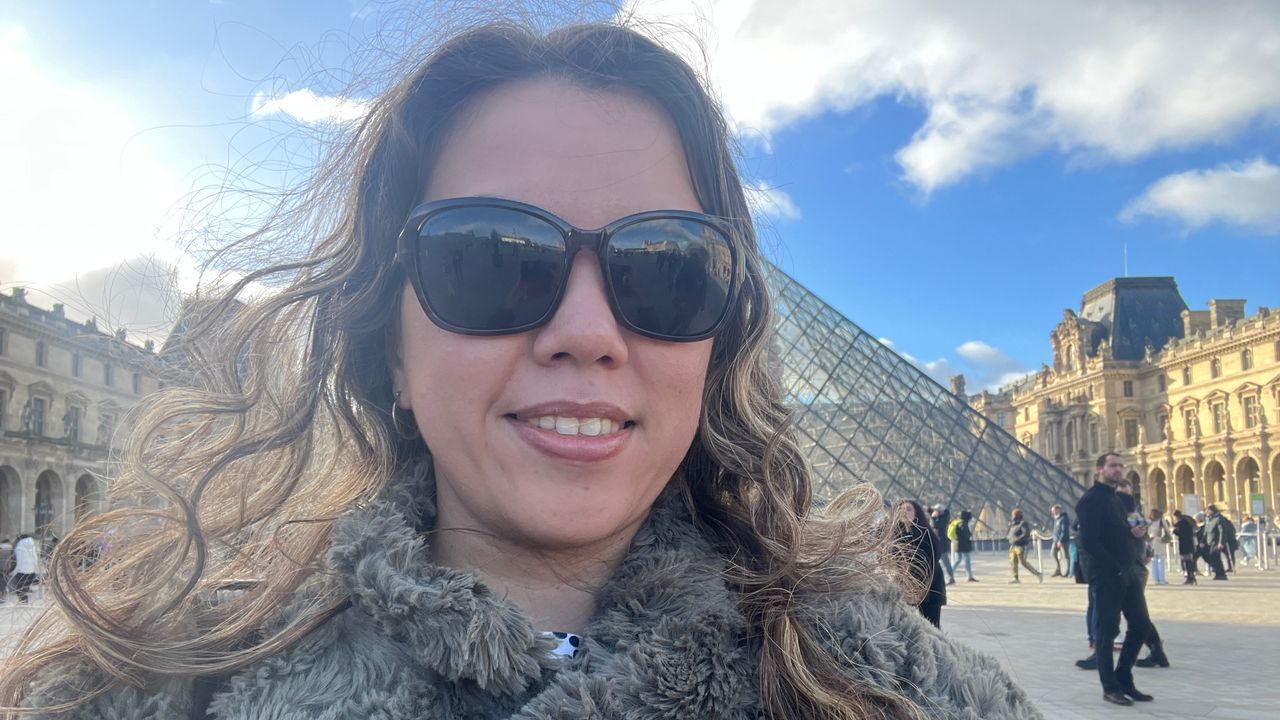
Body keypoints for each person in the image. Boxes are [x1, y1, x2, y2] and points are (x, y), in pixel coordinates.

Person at [1, 19, 1040, 719]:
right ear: (388, 350)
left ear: (716, 342)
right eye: (487, 259)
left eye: (665, 268)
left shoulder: (903, 687)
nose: (586, 329)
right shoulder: (143, 685)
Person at [1076, 452, 1154, 706]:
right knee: (1106, 632)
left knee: (1141, 625)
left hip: (1127, 571)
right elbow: (1089, 541)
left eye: (1121, 466)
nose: (1118, 470)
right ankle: (1110, 687)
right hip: (1109, 574)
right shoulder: (1090, 500)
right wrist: (1114, 568)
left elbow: (1113, 533)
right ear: (1100, 469)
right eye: (1112, 466)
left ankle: (1124, 679)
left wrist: (1132, 534)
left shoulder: (1115, 499)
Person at [1116, 481, 1170, 670]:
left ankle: (1154, 653)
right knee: (1137, 615)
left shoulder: (1124, 516)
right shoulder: (1135, 514)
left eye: (1125, 494)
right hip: (1136, 568)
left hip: (1131, 570)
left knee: (1135, 617)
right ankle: (1157, 653)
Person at [894, 500, 946, 628]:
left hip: (930, 588)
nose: (904, 512)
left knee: (932, 628)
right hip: (905, 589)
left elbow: (930, 559)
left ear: (917, 513)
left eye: (909, 509)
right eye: (901, 509)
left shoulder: (926, 534)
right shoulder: (895, 535)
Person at [1007, 508, 1041, 583]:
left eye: (1013, 515)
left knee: (1023, 562)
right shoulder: (1014, 524)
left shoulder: (1023, 523)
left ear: (1017, 515)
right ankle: (1015, 578)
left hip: (1021, 545)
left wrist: (1017, 539)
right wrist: (1011, 539)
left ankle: (1037, 574)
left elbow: (1025, 533)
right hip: (1013, 545)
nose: (1012, 516)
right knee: (1013, 561)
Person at [931, 504, 957, 585]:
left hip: (942, 544)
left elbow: (935, 525)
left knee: (945, 562)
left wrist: (933, 517)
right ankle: (949, 578)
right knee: (939, 562)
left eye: (936, 510)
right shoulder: (942, 517)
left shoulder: (943, 519)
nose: (934, 512)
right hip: (940, 543)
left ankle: (951, 578)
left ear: (940, 511)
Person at [1145, 508, 1171, 585]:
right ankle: (1162, 579)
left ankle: (1156, 579)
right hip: (1160, 541)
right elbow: (1167, 530)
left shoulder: (1148, 521)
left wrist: (1148, 539)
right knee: (1161, 561)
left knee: (1153, 561)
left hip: (1151, 542)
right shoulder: (1161, 521)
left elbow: (1145, 531)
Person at [1203, 505, 1230, 580]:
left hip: (1216, 541)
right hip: (1210, 541)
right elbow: (1206, 531)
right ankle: (1219, 573)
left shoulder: (1218, 519)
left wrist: (1221, 542)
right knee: (1211, 557)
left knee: (1215, 556)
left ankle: (1221, 574)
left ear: (1211, 511)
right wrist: (1203, 541)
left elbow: (1222, 531)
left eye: (1207, 511)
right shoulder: (1209, 519)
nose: (1206, 512)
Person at [1172, 509, 1198, 584]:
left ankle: (1190, 577)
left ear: (1176, 516)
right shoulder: (1187, 521)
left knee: (1187, 561)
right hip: (1189, 543)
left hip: (1184, 543)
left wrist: (1174, 531)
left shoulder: (1181, 523)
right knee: (1188, 560)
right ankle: (1191, 577)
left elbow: (1181, 533)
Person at [951, 509, 977, 581]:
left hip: (959, 544)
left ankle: (950, 573)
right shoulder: (963, 524)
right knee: (967, 560)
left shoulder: (959, 522)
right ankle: (969, 577)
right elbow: (964, 534)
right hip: (964, 545)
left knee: (958, 560)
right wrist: (969, 535)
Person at [12, 534, 39, 605]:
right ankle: (24, 599)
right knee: (25, 586)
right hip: (31, 571)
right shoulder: (32, 545)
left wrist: (15, 569)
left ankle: (22, 599)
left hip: (21, 571)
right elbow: (35, 558)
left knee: (19, 586)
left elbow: (17, 559)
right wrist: (35, 568)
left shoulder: (19, 546)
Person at [1050, 504, 1071, 577]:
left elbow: (1064, 530)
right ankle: (1058, 569)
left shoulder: (1064, 518)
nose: (1052, 512)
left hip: (1063, 541)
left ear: (1058, 510)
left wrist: (1060, 541)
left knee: (1066, 556)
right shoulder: (1056, 518)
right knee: (1053, 554)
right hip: (1055, 540)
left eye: (1053, 511)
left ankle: (1069, 570)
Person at [0, 538, 13, 602]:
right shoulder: (11, 549)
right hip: (6, 569)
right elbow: (14, 560)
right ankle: (3, 597)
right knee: (4, 583)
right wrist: (10, 568)